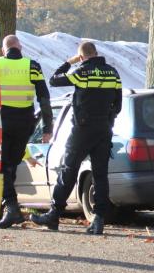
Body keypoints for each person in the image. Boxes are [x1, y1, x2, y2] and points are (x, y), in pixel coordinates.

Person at [31, 41, 122, 234]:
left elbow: (54, 79)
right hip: (104, 129)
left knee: (69, 170)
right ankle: (98, 219)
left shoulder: (81, 72)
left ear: (81, 57)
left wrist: (69, 62)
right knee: (100, 174)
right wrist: (108, 120)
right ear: (96, 53)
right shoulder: (113, 73)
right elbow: (118, 105)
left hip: (82, 129)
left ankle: (54, 214)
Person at [0, 35, 54, 228]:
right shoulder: (33, 66)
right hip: (25, 122)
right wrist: (47, 128)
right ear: (19, 47)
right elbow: (44, 98)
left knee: (1, 166)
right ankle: (5, 209)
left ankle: (11, 208)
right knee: (10, 166)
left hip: (2, 120)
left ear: (4, 50)